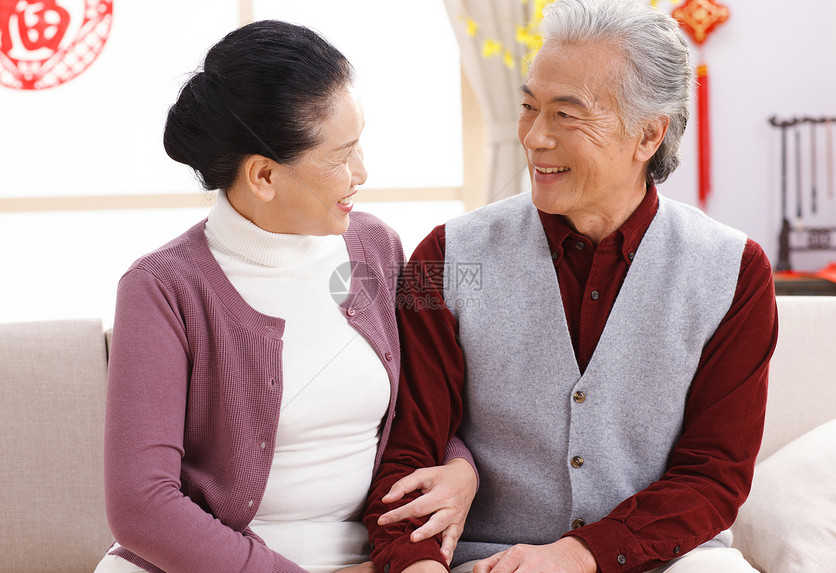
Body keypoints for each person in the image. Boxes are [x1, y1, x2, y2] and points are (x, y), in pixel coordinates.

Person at [364, 1, 777, 572]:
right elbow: (410, 450)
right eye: (529, 107)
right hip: (492, 560)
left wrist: (581, 555)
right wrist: (419, 565)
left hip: (671, 561)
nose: (533, 138)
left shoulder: (736, 271)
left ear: (648, 135)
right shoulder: (444, 255)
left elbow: (714, 474)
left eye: (566, 115)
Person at [96, 20, 477, 573]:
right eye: (340, 157)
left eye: (359, 144)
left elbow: (430, 404)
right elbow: (141, 509)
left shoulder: (380, 248)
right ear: (264, 176)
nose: (362, 172)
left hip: (371, 557)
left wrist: (460, 468)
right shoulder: (159, 289)